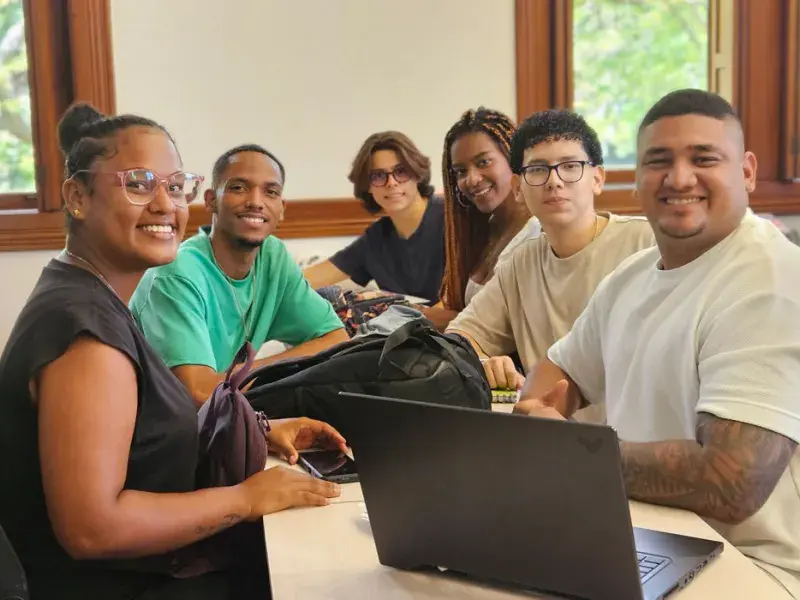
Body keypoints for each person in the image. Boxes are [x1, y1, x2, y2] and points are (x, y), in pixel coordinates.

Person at [0, 103, 346, 599]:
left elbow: (140, 434)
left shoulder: (87, 294)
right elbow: (93, 529)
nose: (166, 205)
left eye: (175, 185)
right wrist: (244, 499)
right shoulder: (86, 338)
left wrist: (260, 431)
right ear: (77, 196)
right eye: (138, 184)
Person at [514, 89, 800, 596]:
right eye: (658, 161)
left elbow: (731, 480)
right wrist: (538, 409)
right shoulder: (632, 276)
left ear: (748, 171)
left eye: (704, 158)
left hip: (752, 568)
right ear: (635, 179)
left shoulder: (772, 282)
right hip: (641, 540)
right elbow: (561, 370)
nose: (680, 178)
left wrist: (567, 453)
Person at [446, 109, 655, 400]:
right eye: (538, 169)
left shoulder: (647, 244)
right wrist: (483, 362)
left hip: (641, 438)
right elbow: (459, 338)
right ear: (518, 188)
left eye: (570, 166)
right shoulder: (519, 265)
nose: (554, 181)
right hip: (549, 434)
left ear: (597, 178)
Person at [130, 144, 349, 406]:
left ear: (281, 208)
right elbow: (197, 393)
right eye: (238, 188)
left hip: (227, 414)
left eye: (270, 192)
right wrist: (269, 369)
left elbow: (335, 339)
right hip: (160, 430)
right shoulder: (175, 273)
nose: (256, 202)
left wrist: (257, 370)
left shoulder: (272, 256)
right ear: (211, 200)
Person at [425, 107, 539, 330]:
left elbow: (517, 332)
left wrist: (430, 320)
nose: (472, 179)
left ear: (513, 158)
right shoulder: (485, 229)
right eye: (460, 171)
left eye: (483, 162)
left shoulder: (536, 233)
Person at [303, 131, 445, 303]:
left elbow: (464, 301)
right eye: (378, 176)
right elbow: (310, 278)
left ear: (417, 174)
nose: (391, 183)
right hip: (409, 325)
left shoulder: (451, 219)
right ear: (368, 187)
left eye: (401, 171)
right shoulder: (375, 239)